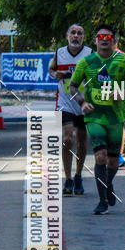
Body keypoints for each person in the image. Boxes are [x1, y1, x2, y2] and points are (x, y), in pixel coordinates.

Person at [68, 24, 125, 215]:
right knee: (100, 157)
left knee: (112, 162)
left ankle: (108, 185)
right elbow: (73, 87)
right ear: (94, 40)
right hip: (94, 116)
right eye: (100, 37)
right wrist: (82, 102)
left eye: (108, 37)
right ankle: (102, 201)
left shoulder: (124, 60)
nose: (104, 40)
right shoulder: (86, 62)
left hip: (116, 116)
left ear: (114, 41)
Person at [48, 23, 92, 195]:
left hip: (83, 103)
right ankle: (67, 178)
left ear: (84, 37)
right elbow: (51, 69)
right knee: (67, 139)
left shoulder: (89, 54)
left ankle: (78, 175)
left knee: (82, 140)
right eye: (73, 32)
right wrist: (54, 74)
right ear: (67, 35)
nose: (76, 36)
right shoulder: (59, 53)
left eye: (79, 33)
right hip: (64, 103)